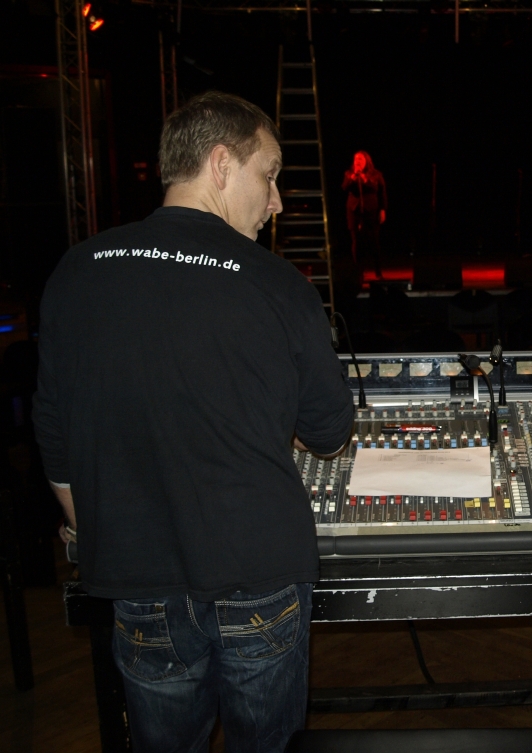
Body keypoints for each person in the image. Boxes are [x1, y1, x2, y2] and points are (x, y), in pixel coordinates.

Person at [33, 91, 354, 753]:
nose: (277, 202)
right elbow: (329, 432)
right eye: (269, 175)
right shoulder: (279, 283)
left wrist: (95, 528)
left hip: (137, 581)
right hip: (260, 573)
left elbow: (54, 435)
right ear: (221, 164)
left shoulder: (76, 270)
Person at [342, 150, 387, 279]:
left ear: (367, 161)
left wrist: (383, 210)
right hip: (354, 210)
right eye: (356, 159)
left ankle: (378, 270)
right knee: (356, 241)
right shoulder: (349, 174)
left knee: (374, 240)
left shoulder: (376, 174)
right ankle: (358, 272)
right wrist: (352, 178)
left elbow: (381, 192)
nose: (358, 161)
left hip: (371, 210)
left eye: (360, 159)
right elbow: (344, 188)